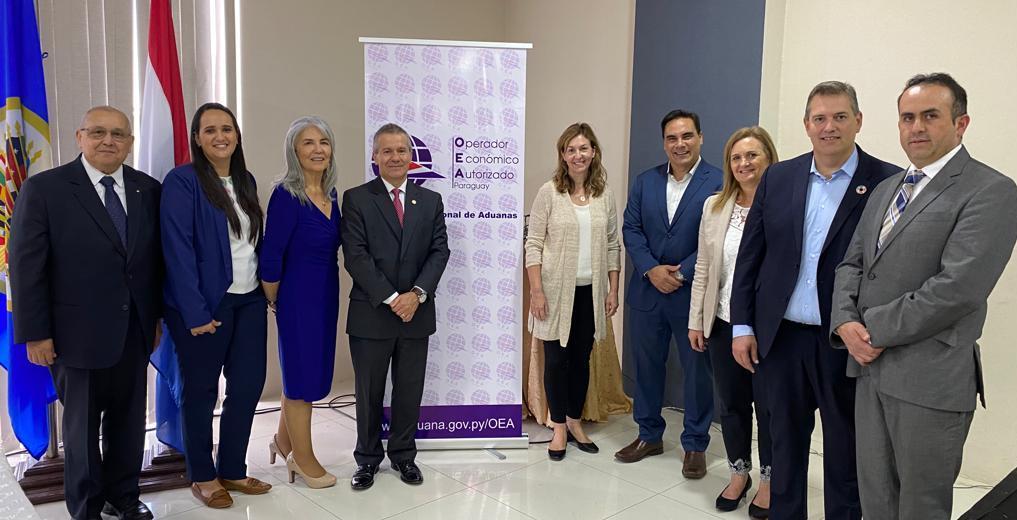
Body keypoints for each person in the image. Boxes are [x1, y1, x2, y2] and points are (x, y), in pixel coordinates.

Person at [831, 73, 1017, 520]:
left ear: (961, 123)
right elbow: (851, 265)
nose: (916, 127)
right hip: (869, 371)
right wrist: (844, 323)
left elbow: (957, 289)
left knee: (920, 506)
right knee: (876, 497)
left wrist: (870, 328)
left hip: (929, 380)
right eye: (907, 117)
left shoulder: (991, 191)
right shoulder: (884, 190)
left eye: (930, 116)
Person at [730, 81, 899, 520]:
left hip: (844, 341)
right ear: (806, 125)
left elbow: (895, 268)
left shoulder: (886, 182)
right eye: (819, 118)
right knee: (783, 447)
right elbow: (751, 255)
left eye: (840, 117)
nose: (829, 127)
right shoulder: (779, 177)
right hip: (780, 338)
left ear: (858, 121)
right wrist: (743, 326)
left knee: (846, 452)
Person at [11, 106, 161, 520]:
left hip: (134, 330)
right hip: (72, 335)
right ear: (79, 137)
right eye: (98, 132)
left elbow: (152, 264)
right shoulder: (45, 189)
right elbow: (25, 266)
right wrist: (35, 333)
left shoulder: (147, 189)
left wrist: (158, 319)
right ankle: (87, 508)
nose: (108, 141)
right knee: (80, 432)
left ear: (130, 143)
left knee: (128, 424)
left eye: (118, 134)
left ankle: (124, 498)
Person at [161, 102, 271, 508]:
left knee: (246, 388)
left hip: (249, 302)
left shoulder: (246, 180)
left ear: (237, 135)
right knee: (202, 391)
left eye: (227, 128)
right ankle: (203, 476)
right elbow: (178, 250)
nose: (220, 136)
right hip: (205, 307)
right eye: (209, 130)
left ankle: (233, 469)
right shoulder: (182, 181)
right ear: (197, 138)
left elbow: (251, 244)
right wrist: (195, 313)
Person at [341, 123, 450, 490]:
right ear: (374, 157)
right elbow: (355, 257)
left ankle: (404, 456)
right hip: (372, 314)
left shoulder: (430, 201)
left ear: (411, 156)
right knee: (369, 393)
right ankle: (367, 460)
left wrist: (416, 295)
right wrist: (392, 298)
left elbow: (439, 252)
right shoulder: (356, 198)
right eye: (386, 151)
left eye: (401, 150)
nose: (395, 157)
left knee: (408, 389)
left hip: (416, 314)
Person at [619, 109, 721, 478]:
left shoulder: (718, 181)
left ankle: (694, 444)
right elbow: (631, 229)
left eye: (687, 136)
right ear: (664, 142)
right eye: (672, 138)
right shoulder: (645, 181)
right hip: (648, 292)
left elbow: (717, 235)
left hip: (692, 293)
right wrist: (651, 269)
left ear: (700, 138)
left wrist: (682, 271)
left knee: (697, 372)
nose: (680, 144)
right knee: (646, 367)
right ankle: (649, 435)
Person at [688, 126, 777, 517]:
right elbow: (705, 267)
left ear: (769, 158)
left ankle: (771, 481)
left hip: (770, 329)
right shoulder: (715, 206)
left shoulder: (784, 204)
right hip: (723, 322)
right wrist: (697, 321)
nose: (744, 164)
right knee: (733, 405)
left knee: (771, 407)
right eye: (737, 157)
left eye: (753, 155)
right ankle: (739, 473)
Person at [525, 123, 622, 461]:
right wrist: (536, 291)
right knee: (556, 361)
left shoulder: (603, 195)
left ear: (593, 152)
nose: (577, 155)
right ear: (563, 155)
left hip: (590, 295)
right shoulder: (548, 193)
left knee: (581, 360)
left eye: (583, 148)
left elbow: (613, 244)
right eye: (571, 149)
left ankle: (575, 421)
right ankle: (559, 428)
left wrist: (613, 289)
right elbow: (534, 243)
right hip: (553, 293)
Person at [261, 116, 342, 488]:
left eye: (323, 142)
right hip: (294, 298)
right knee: (300, 376)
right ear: (294, 151)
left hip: (326, 294)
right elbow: (272, 254)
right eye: (308, 143)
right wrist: (276, 299)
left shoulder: (332, 195)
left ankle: (281, 440)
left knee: (310, 369)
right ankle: (303, 459)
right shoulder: (285, 195)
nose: (317, 149)